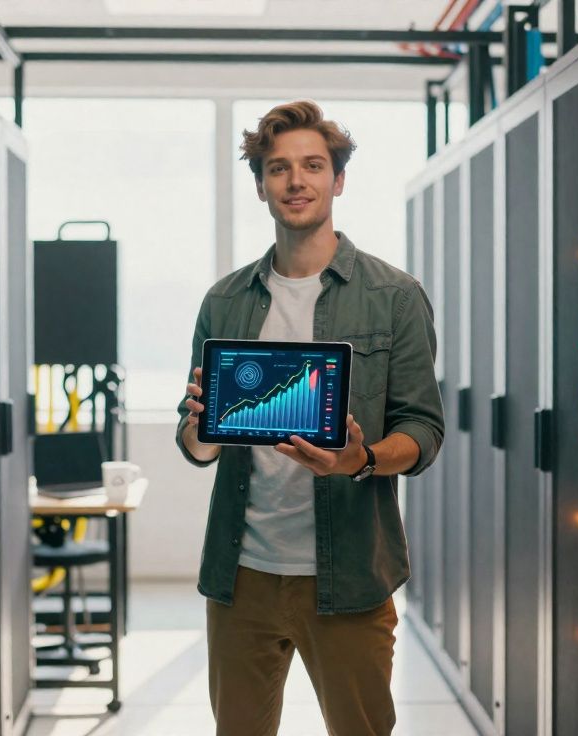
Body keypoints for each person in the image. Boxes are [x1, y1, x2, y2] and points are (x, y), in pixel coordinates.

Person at [175, 100, 445, 736]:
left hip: (350, 575)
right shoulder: (225, 300)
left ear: (338, 180)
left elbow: (424, 430)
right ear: (262, 185)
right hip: (241, 576)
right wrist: (199, 429)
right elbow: (197, 443)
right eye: (279, 169)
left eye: (313, 166)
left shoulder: (395, 298)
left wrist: (363, 459)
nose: (296, 181)